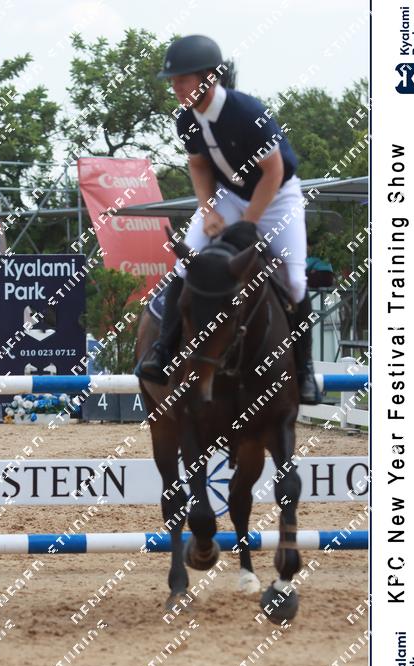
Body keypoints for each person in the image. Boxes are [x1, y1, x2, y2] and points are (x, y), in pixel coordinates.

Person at [136, 34, 320, 404]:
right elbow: (199, 165)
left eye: (182, 80)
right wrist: (208, 210)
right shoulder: (186, 118)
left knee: (295, 282)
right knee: (184, 263)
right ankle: (162, 351)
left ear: (208, 78)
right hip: (229, 195)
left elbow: (273, 172)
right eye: (173, 81)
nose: (175, 88)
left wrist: (248, 223)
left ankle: (303, 372)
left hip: (277, 197)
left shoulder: (246, 112)